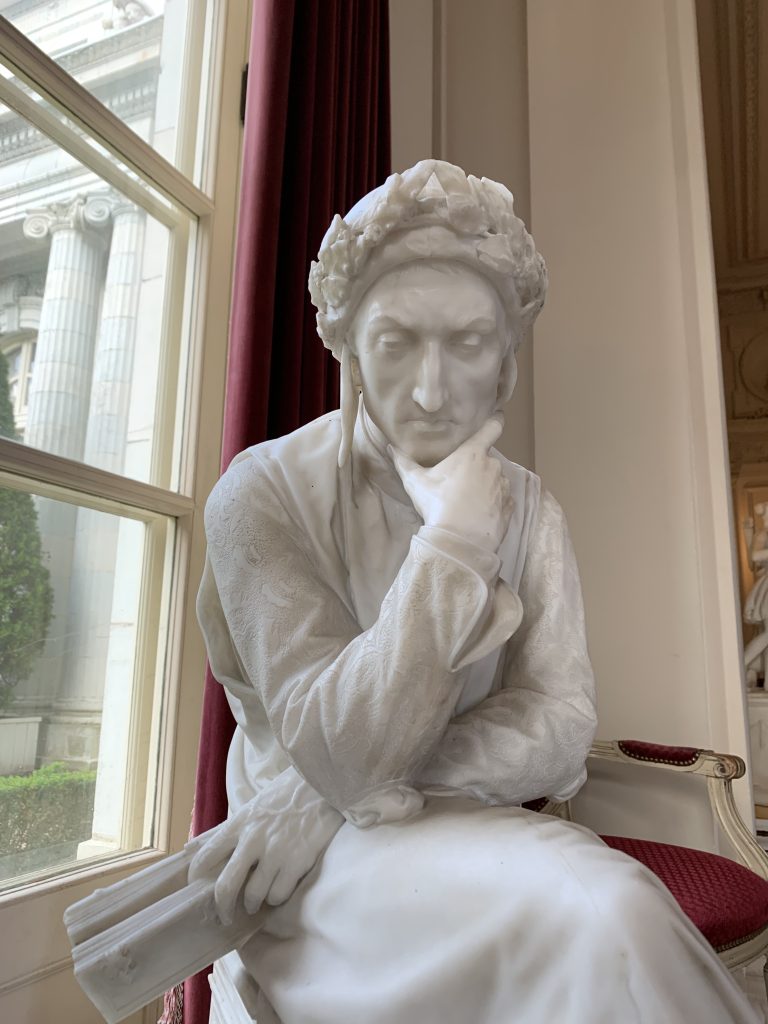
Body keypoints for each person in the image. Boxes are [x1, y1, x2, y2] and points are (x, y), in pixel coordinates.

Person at [193, 160, 758, 1023]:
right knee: (596, 915)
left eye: (466, 344)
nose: (431, 389)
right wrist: (454, 543)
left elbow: (560, 725)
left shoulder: (532, 508)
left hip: (437, 828)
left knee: (611, 912)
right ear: (346, 349)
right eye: (395, 342)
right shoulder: (259, 495)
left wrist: (329, 798)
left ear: (505, 363)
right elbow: (337, 748)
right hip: (308, 874)